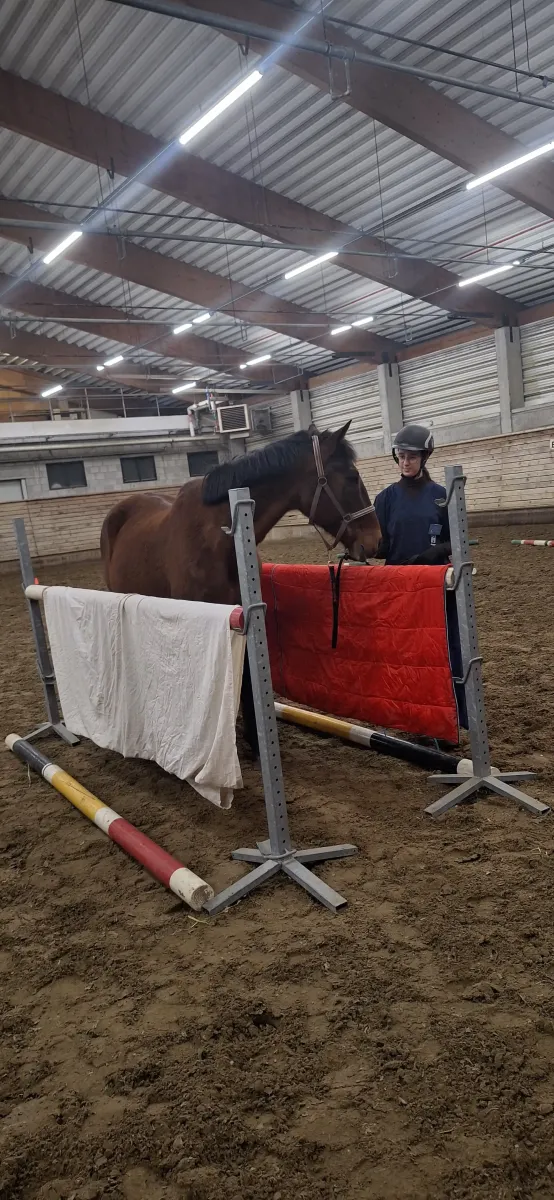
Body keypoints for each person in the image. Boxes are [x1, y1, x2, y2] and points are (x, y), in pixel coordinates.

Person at [374, 424, 451, 565]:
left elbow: (455, 540)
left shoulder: (441, 495)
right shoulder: (384, 498)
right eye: (401, 456)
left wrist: (436, 551)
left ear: (424, 457)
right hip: (397, 574)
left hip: (433, 572)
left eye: (412, 457)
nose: (405, 463)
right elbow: (382, 548)